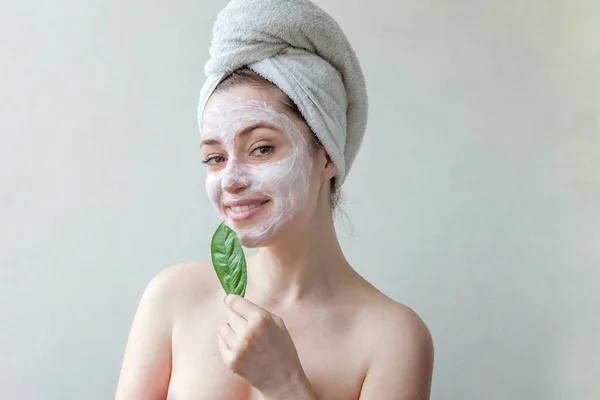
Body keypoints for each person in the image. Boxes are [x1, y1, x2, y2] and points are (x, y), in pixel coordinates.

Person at [116, 1, 434, 399]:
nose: (230, 180)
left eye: (262, 148)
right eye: (215, 157)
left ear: (327, 156)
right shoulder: (173, 298)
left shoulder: (393, 338)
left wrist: (286, 385)